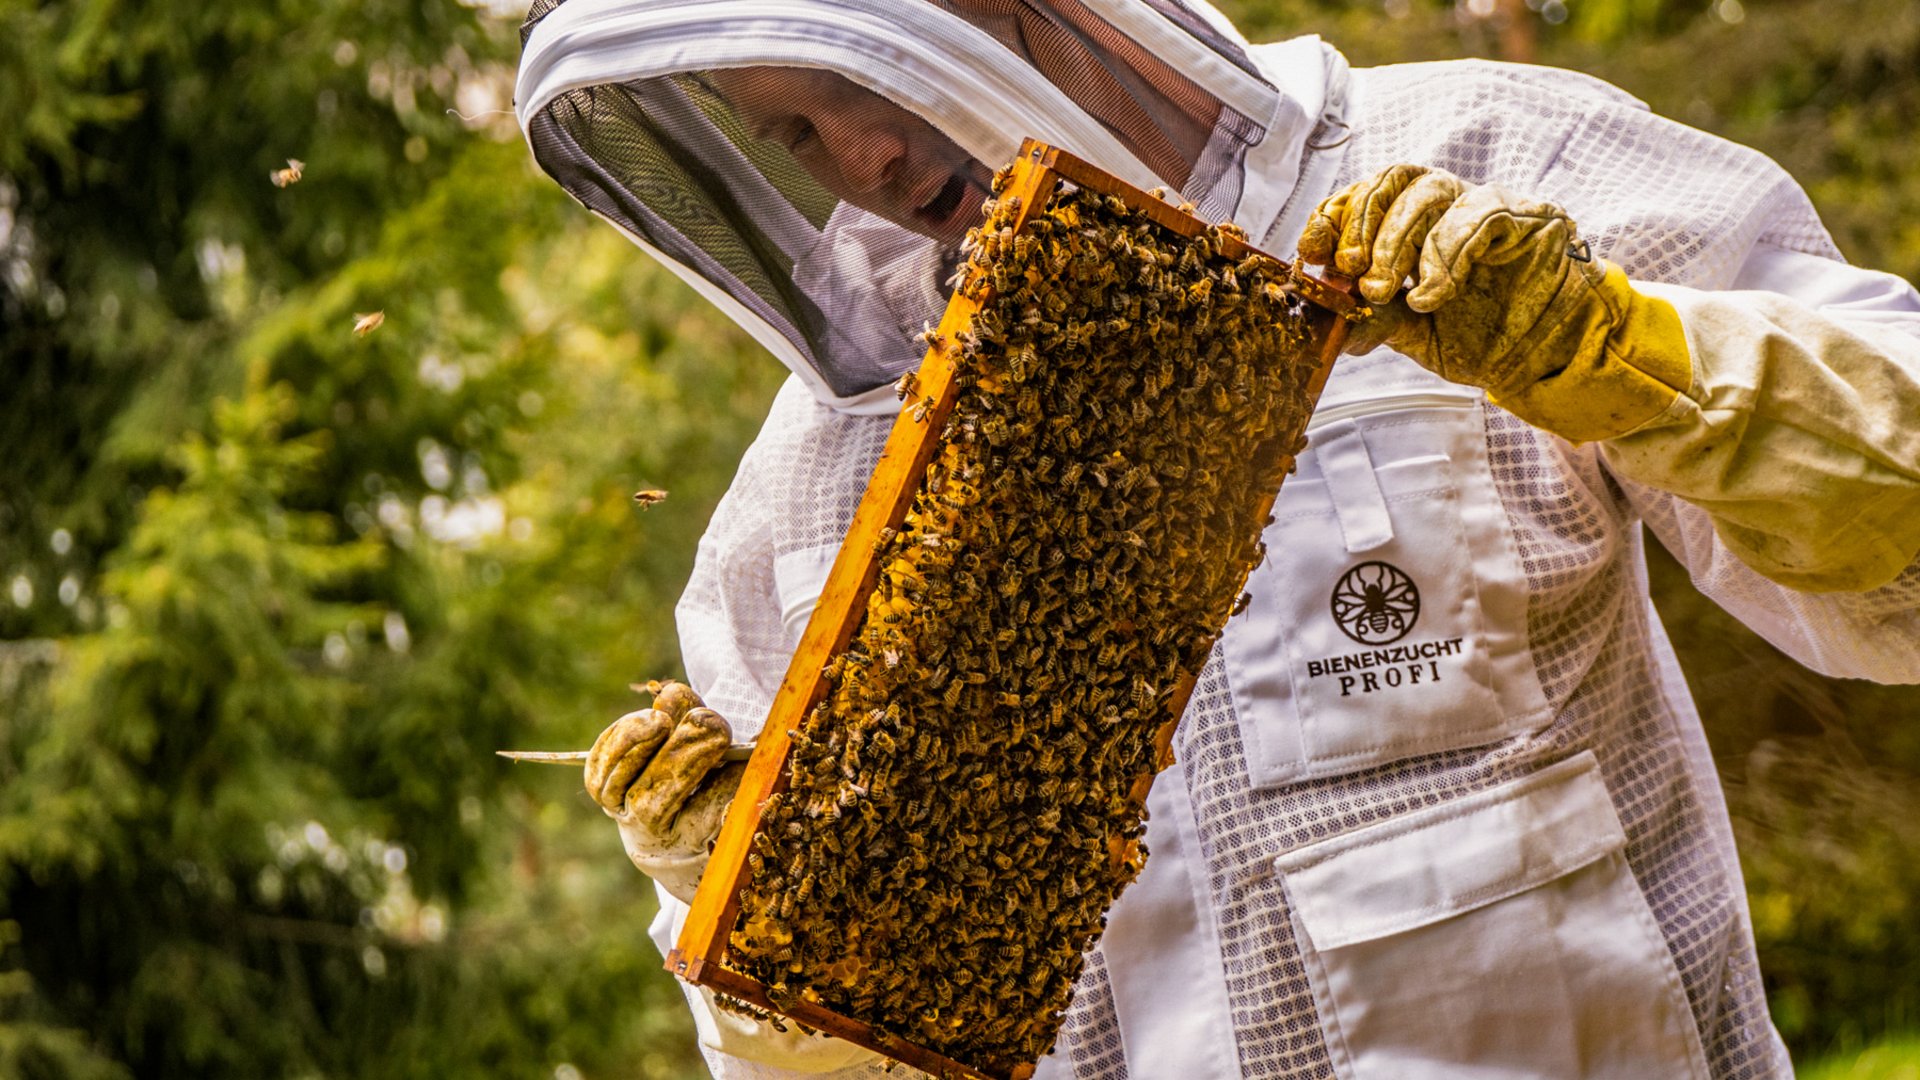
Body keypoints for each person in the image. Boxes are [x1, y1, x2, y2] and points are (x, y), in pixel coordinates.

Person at [514, 1, 1920, 1076]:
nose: (867, 160)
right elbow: (854, 1058)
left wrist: (1632, 356)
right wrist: (753, 909)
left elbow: (1898, 571)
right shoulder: (812, 485)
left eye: (858, 76)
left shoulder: (1494, 159)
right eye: (798, 135)